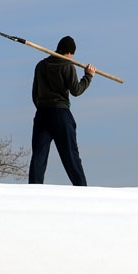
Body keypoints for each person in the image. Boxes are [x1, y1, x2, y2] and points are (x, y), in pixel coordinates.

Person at [28, 36, 96, 186]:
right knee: (70, 155)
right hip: (60, 114)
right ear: (70, 53)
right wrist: (88, 76)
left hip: (42, 114)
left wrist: (41, 107)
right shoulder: (67, 65)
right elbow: (76, 91)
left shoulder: (41, 65)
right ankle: (82, 188)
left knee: (39, 156)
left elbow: (35, 93)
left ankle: (33, 188)